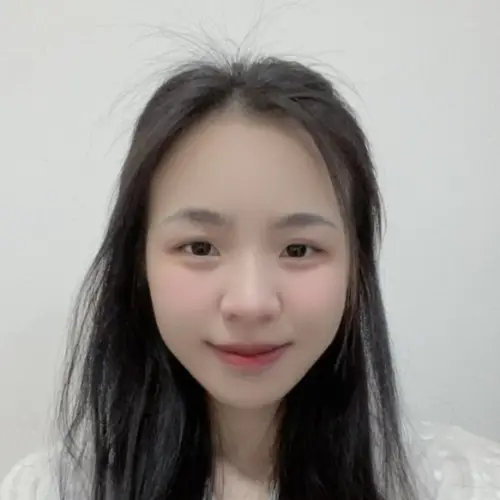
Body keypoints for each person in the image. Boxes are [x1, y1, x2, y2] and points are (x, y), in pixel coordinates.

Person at [1, 54, 499, 500]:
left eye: (298, 249)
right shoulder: (50, 489)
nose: (251, 302)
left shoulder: (462, 483)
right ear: (138, 264)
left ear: (357, 270)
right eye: (200, 247)